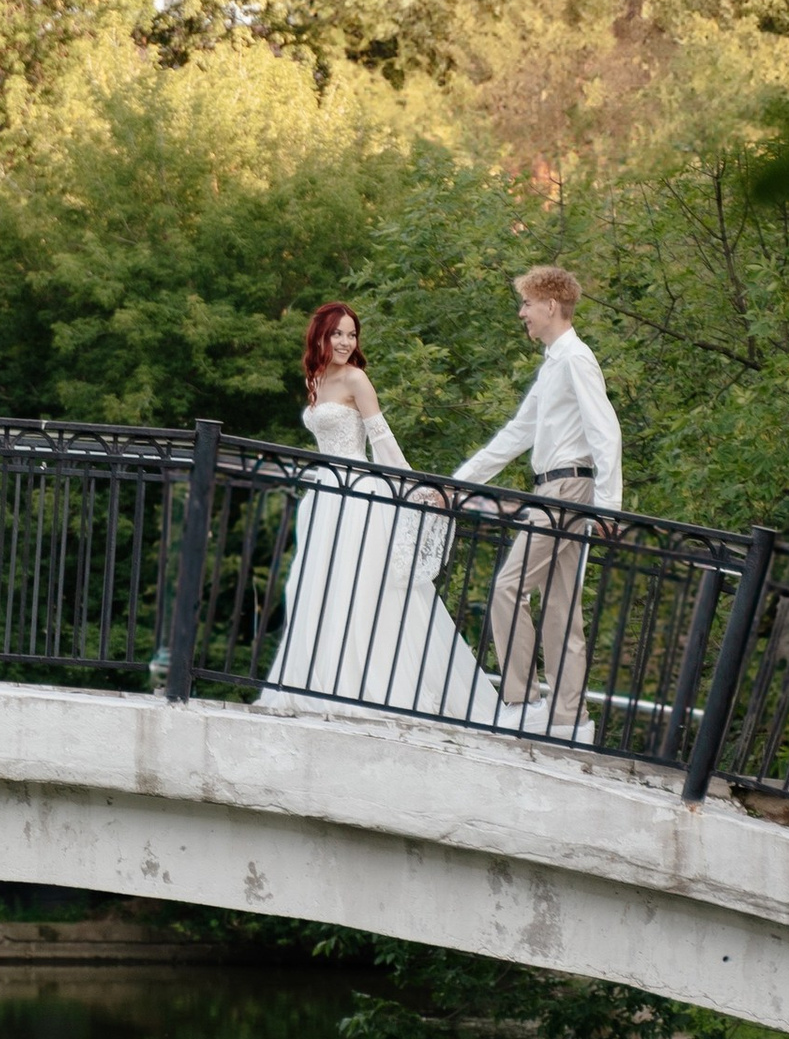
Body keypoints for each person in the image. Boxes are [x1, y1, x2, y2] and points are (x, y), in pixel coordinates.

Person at [257, 304, 480, 720]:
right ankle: (314, 683)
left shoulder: (357, 379)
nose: (345, 342)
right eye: (337, 334)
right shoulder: (315, 378)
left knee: (361, 586)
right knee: (318, 585)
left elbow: (382, 440)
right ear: (320, 336)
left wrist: (417, 486)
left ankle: (367, 688)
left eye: (351, 335)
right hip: (325, 495)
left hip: (359, 493)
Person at [453, 265, 622, 742]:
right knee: (561, 609)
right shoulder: (554, 363)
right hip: (557, 490)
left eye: (527, 303)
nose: (521, 312)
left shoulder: (575, 359)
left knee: (507, 588)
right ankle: (572, 720)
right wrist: (458, 483)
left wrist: (610, 509)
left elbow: (606, 434)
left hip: (567, 491)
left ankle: (521, 700)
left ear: (551, 306)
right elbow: (515, 436)